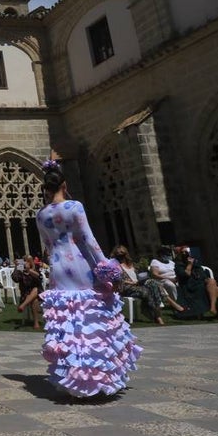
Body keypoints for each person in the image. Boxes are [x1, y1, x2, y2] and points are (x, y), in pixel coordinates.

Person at [37, 158, 141, 397]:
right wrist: (108, 269)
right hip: (80, 265)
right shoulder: (75, 206)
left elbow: (48, 246)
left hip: (58, 268)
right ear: (64, 185)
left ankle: (71, 379)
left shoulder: (40, 214)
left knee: (68, 324)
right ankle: (95, 379)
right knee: (91, 322)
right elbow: (89, 240)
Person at [172, 246, 218, 321]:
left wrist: (206, 280)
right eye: (182, 252)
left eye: (186, 252)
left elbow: (203, 276)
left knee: (212, 281)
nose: (184, 253)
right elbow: (185, 275)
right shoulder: (179, 265)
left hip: (200, 283)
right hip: (189, 286)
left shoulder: (196, 264)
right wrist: (189, 264)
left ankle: (213, 308)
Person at [113, 246, 164, 324]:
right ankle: (158, 316)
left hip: (138, 284)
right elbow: (116, 279)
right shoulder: (115, 265)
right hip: (126, 287)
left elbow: (142, 275)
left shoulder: (132, 264)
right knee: (146, 291)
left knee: (154, 284)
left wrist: (140, 280)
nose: (120, 255)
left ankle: (155, 310)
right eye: (118, 253)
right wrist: (130, 282)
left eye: (122, 253)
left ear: (126, 253)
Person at [12, 254, 43, 329]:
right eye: (25, 260)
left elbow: (39, 277)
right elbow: (15, 279)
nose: (27, 262)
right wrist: (16, 267)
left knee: (35, 289)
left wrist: (29, 270)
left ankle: (22, 305)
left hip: (38, 292)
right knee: (34, 300)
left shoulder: (36, 268)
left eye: (29, 260)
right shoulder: (20, 269)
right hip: (25, 294)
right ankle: (36, 323)